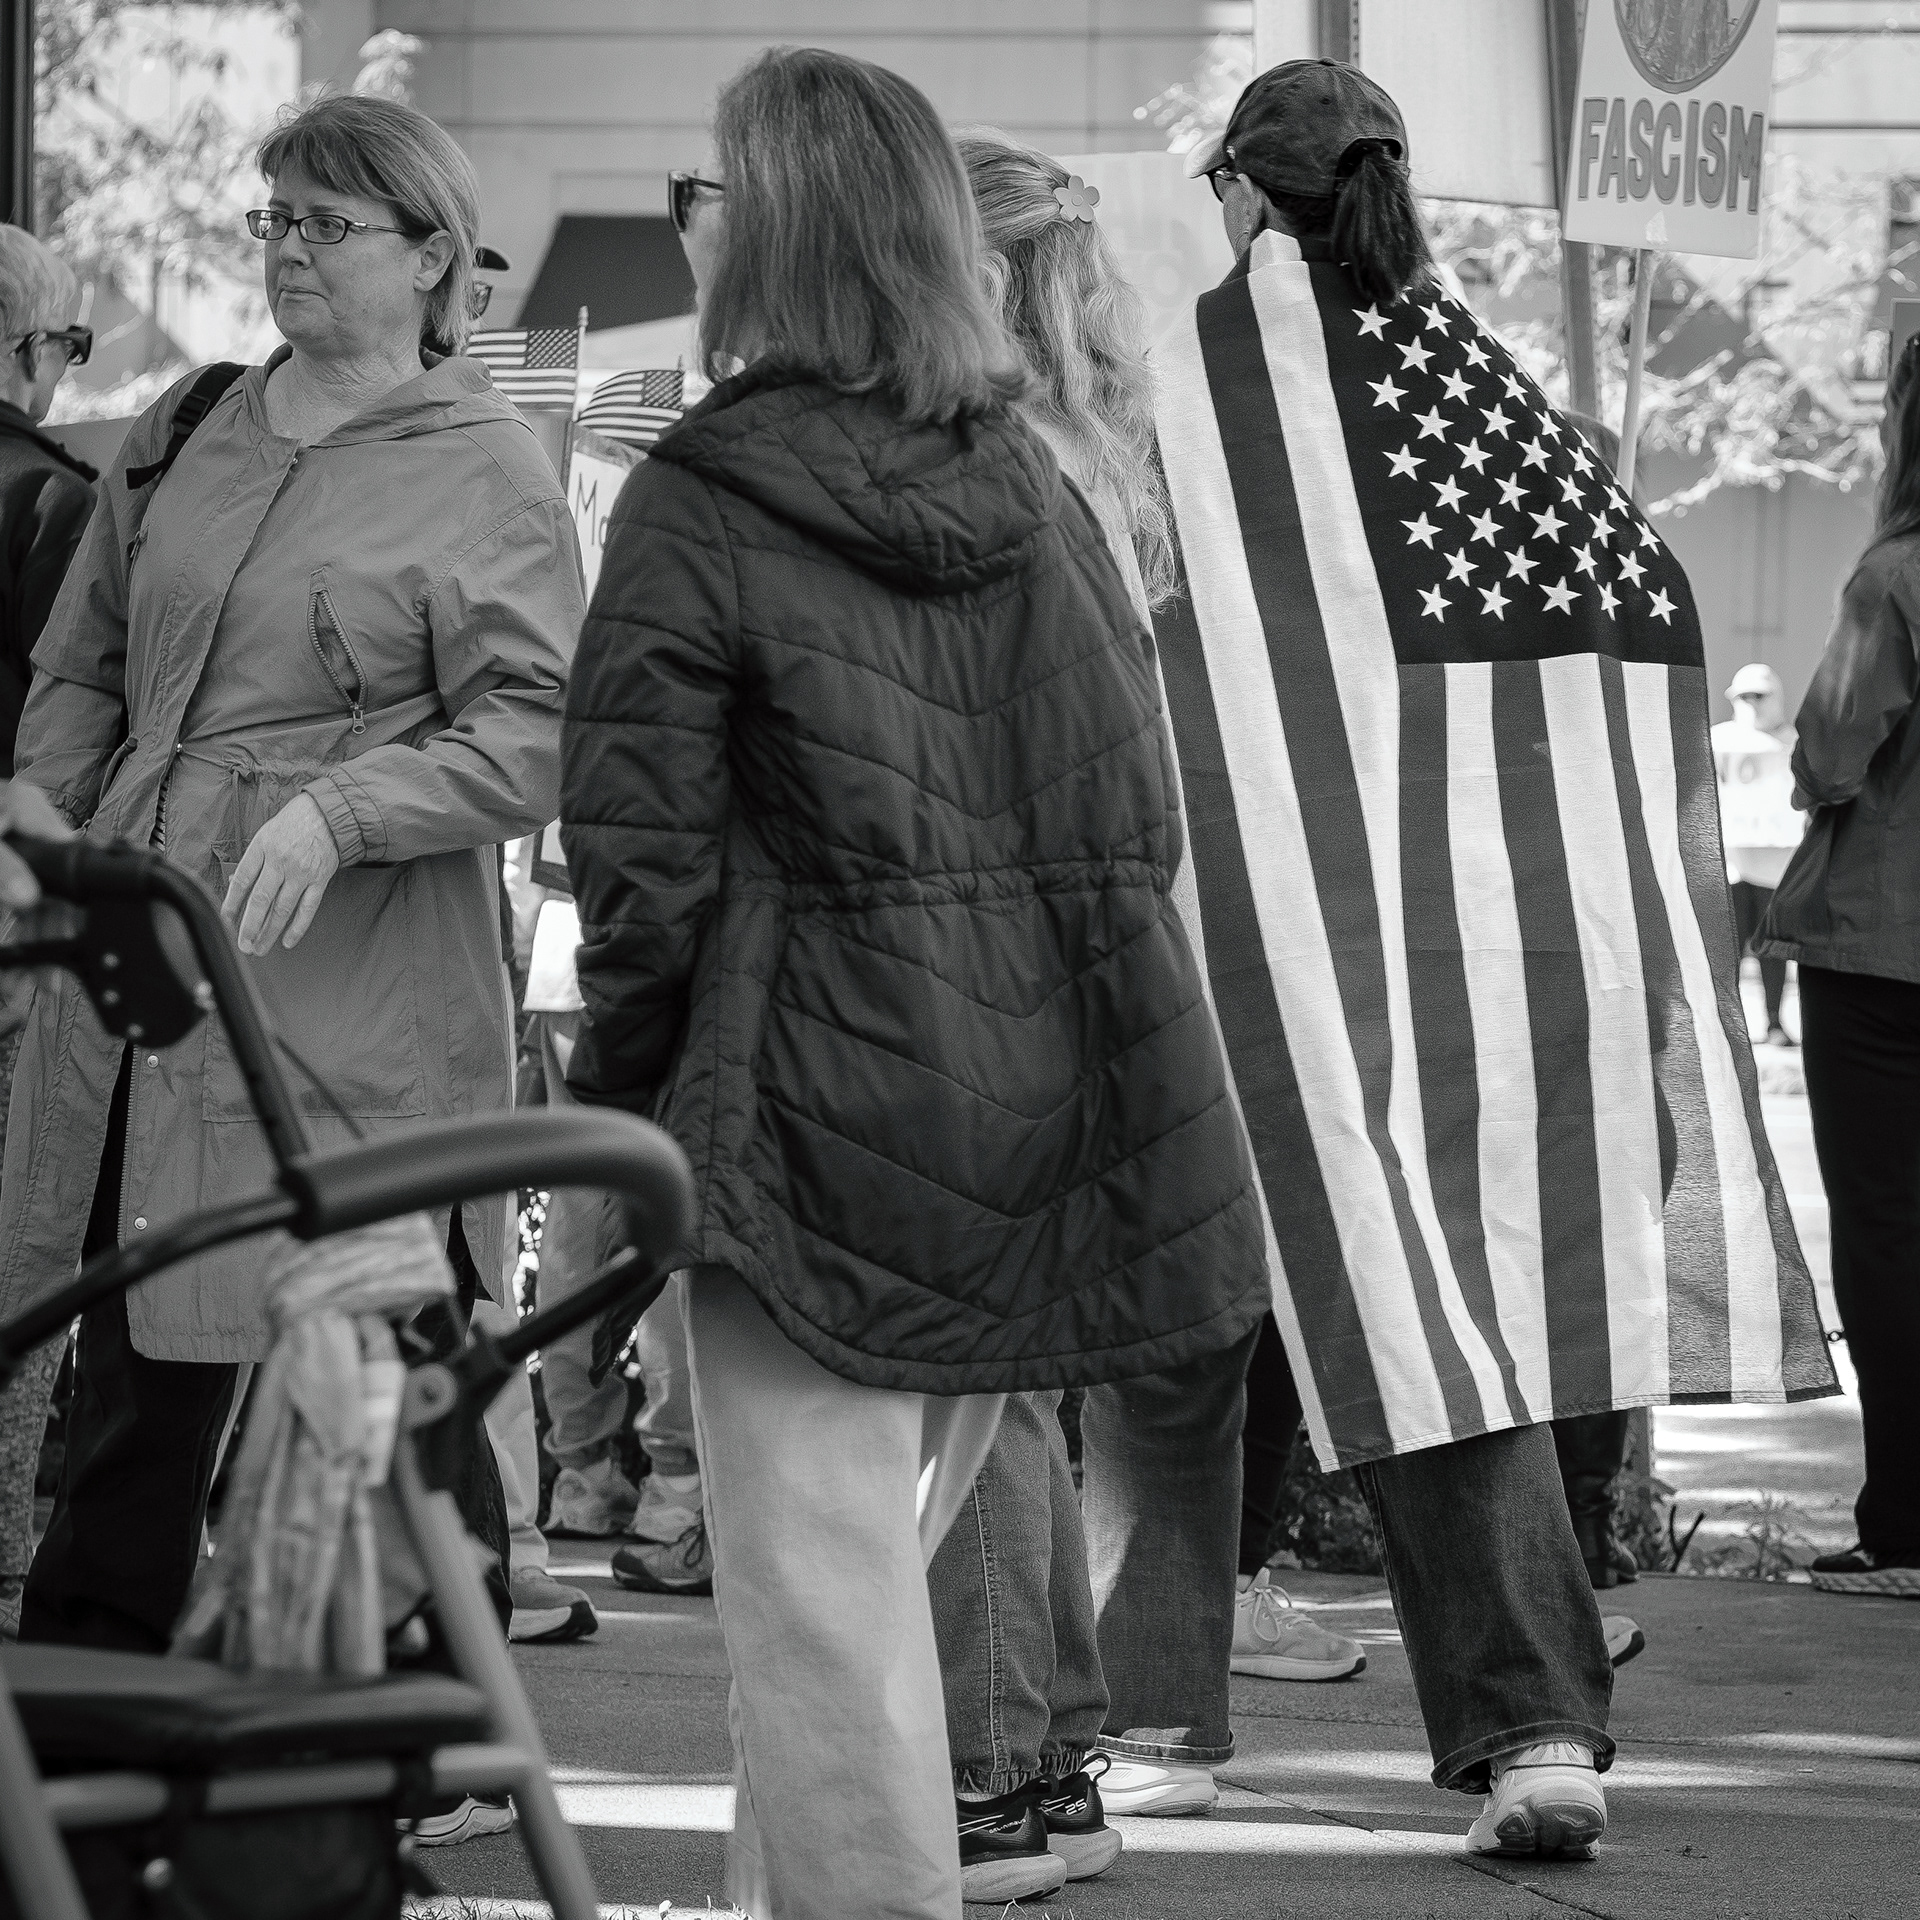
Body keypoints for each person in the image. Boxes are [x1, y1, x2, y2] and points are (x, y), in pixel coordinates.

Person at [561, 49, 1267, 1920]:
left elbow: (637, 863)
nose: (693, 226)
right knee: (855, 1628)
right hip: (1024, 1109)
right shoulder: (1035, 480)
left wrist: (625, 1120)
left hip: (801, 1115)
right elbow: (1136, 822)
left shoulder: (701, 492)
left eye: (711, 192)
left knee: (821, 1632)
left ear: (771, 230)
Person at [1160, 58, 1830, 1859]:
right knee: (1464, 1309)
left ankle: (1131, 1716)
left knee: (1335, 1321)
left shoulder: (1209, 381)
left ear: (1246, 191)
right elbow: (1645, 609)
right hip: (1526, 935)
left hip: (1303, 937)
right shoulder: (1484, 393)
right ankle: (1522, 1718)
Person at [0, 89, 581, 1751]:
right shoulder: (186, 424)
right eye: (276, 219)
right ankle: (87, 1731)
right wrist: (42, 826)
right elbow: (85, 666)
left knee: (379, 1372)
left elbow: (542, 727)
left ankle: (423, 1730)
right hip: (142, 972)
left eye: (330, 224)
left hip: (353, 996)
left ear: (434, 258)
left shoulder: (488, 465)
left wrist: (345, 808)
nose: (291, 252)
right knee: (140, 1359)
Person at [923, 131, 1366, 1904]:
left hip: (1016, 959)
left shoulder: (997, 468)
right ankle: (1054, 1757)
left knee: (985, 1378)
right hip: (1110, 954)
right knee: (1041, 1382)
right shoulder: (1093, 457)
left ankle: (1007, 1769)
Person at [1756, 327, 1920, 1600]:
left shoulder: (1896, 577)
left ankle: (1906, 1524)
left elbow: (1827, 752)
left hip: (1883, 948)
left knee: (1887, 1232)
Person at [505, 835, 711, 1592]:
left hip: (567, 945)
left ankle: (584, 1473)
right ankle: (675, 1484)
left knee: (578, 1213)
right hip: (659, 941)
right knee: (663, 1210)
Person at [0, 225, 96, 1637]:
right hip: (16, 931)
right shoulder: (52, 503)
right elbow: (69, 744)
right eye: (69, 345)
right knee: (17, 1253)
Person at [1713, 662, 1801, 1045]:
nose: (1751, 703)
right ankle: (1725, 1026)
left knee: (1773, 951)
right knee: (1726, 951)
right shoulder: (1718, 739)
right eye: (1744, 696)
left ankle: (1774, 1022)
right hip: (1730, 864)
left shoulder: (1795, 742)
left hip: (1776, 868)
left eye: (1759, 696)